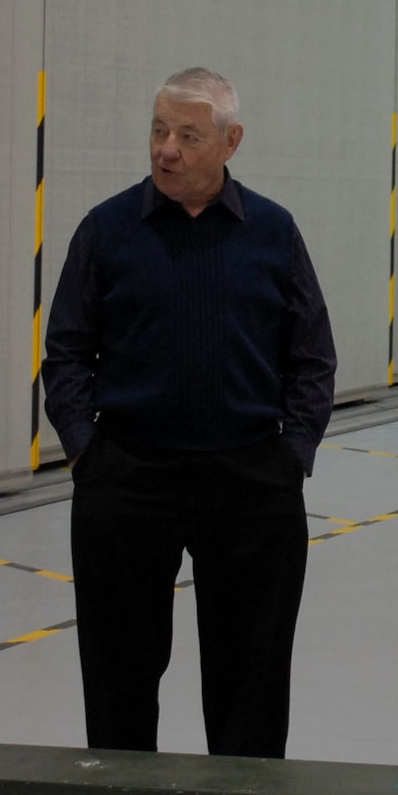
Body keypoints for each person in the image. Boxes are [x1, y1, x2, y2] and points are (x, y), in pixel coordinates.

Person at [43, 67, 336, 758]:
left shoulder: (273, 231)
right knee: (119, 668)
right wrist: (87, 450)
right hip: (127, 479)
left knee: (251, 673)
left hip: (249, 479)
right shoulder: (107, 229)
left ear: (231, 142)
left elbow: (312, 356)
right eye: (157, 131)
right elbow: (65, 353)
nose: (165, 149)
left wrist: (291, 455)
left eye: (187, 135)